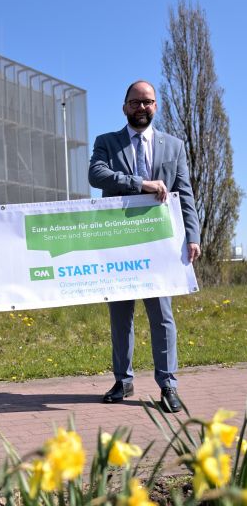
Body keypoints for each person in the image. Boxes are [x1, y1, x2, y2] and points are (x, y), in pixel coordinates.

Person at [88, 80, 201, 413]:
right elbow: (97, 175)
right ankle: (123, 381)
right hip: (119, 242)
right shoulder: (106, 142)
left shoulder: (174, 146)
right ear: (125, 107)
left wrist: (192, 235)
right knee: (120, 317)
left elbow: (186, 193)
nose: (141, 107)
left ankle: (168, 385)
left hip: (159, 244)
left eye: (147, 102)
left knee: (162, 316)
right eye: (135, 102)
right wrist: (140, 184)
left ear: (156, 106)